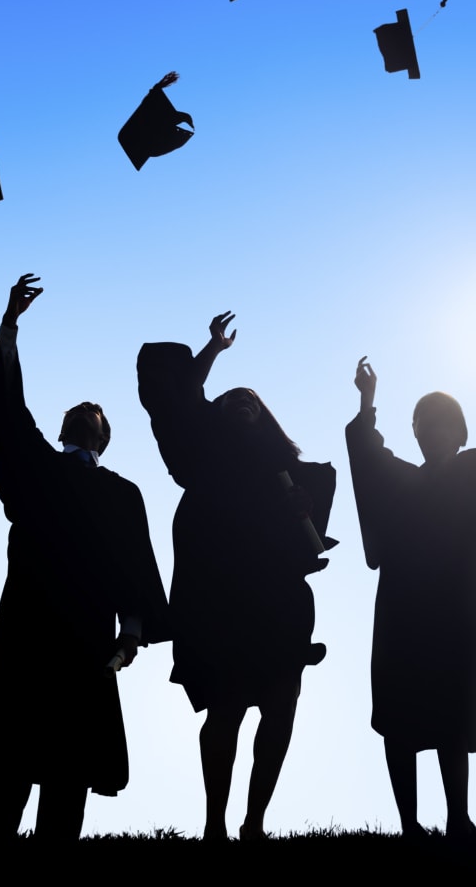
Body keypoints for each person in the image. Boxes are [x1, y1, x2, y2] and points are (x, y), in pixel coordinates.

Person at [0, 274, 170, 839]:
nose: (87, 412)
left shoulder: (123, 493)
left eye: (96, 412)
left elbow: (136, 567)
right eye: (79, 410)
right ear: (63, 429)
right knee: (10, 752)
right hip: (26, 624)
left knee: (69, 762)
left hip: (87, 633)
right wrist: (10, 325)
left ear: (105, 436)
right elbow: (6, 413)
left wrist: (131, 631)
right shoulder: (37, 469)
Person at [137, 311, 336, 841]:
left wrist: (304, 511)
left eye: (251, 397)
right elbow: (176, 400)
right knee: (225, 711)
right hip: (220, 599)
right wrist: (211, 352)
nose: (241, 398)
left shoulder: (293, 474)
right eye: (230, 397)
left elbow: (312, 547)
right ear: (214, 414)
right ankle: (214, 824)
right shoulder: (202, 458)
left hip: (278, 603)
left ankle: (255, 822)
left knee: (280, 706)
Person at [347, 359, 476, 837]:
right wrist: (367, 400)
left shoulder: (474, 471)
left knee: (452, 710)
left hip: (455, 612)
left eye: (442, 425)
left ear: (460, 433)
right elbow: (365, 451)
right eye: (423, 426)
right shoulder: (402, 481)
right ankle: (409, 824)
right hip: (403, 612)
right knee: (401, 713)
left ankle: (458, 818)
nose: (432, 433)